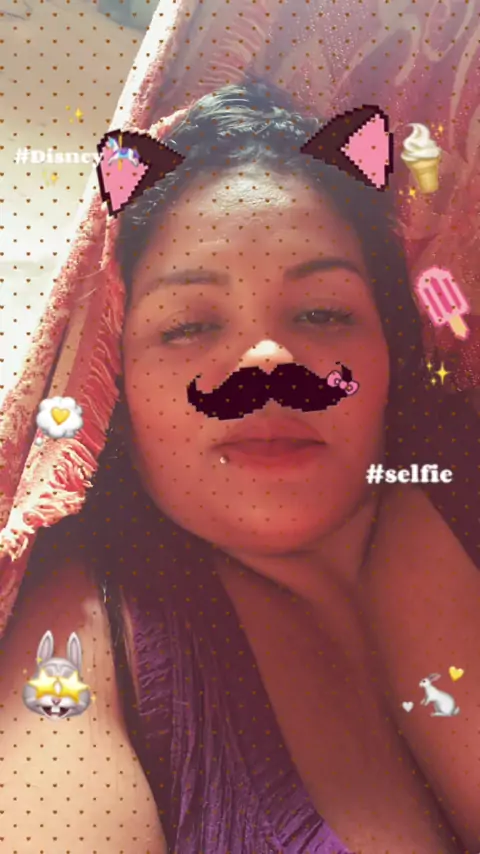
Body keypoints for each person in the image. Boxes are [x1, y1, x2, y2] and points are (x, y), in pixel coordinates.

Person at [0, 80, 479, 854]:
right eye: (189, 324)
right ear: (113, 381)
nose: (266, 359)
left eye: (322, 312)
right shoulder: (82, 642)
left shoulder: (458, 465)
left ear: (390, 348)